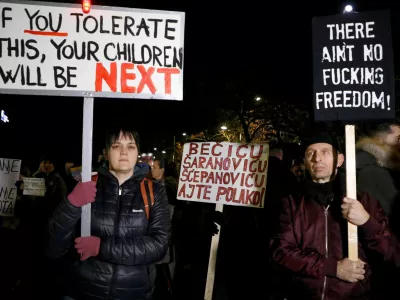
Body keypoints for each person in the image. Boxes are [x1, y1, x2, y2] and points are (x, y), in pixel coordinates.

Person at [269, 131, 398, 300]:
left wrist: (367, 222)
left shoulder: (364, 202)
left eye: (325, 152)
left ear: (340, 160)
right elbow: (281, 251)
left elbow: (392, 254)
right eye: (310, 153)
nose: (317, 158)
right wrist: (333, 268)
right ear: (305, 163)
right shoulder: (291, 203)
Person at [46, 128, 170, 300]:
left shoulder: (153, 191)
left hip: (134, 293)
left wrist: (101, 247)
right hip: (83, 290)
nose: (124, 152)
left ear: (137, 153)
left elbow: (158, 246)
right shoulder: (88, 186)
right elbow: (53, 247)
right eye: (116, 146)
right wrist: (71, 203)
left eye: (131, 146)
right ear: (105, 153)